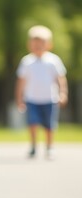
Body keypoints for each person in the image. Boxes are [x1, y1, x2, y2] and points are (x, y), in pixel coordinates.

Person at [15, 25, 68, 159]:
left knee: (49, 125)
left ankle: (49, 146)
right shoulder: (27, 61)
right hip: (32, 98)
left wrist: (63, 93)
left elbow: (61, 79)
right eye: (35, 43)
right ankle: (33, 146)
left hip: (49, 98)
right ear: (30, 44)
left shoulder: (53, 61)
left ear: (49, 44)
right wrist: (19, 98)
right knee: (32, 123)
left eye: (41, 43)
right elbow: (21, 82)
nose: (38, 46)